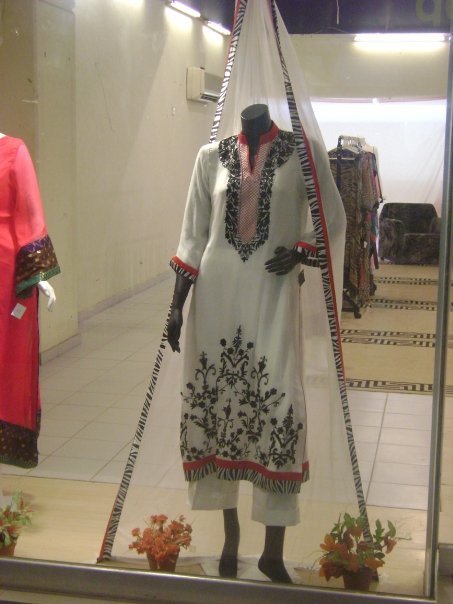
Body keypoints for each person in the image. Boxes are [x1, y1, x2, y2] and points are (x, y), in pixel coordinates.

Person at [167, 104, 320, 583]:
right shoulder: (210, 157)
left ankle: (273, 552)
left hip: (272, 298)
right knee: (220, 406)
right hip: (217, 298)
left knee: (279, 406)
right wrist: (176, 305)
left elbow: (329, 218)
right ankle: (230, 540)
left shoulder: (303, 153)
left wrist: (300, 251)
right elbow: (193, 237)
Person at [0, 133, 59, 472]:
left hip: (5, 274)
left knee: (6, 360)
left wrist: (38, 274)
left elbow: (29, 212)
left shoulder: (13, 151)